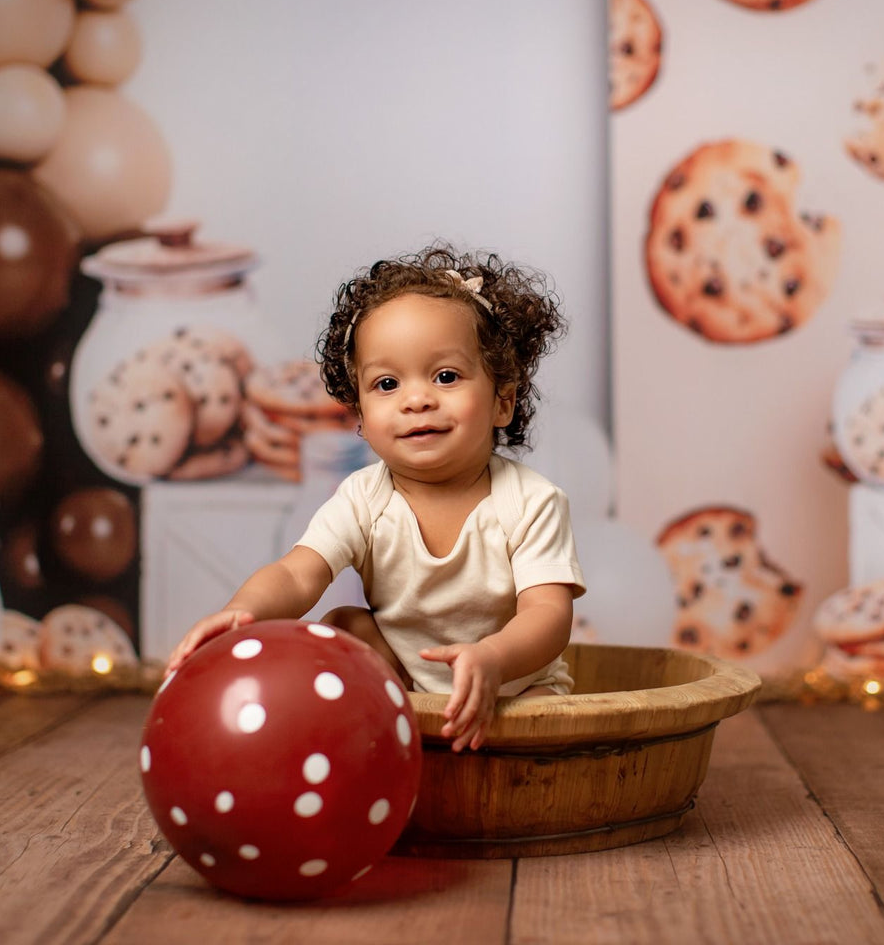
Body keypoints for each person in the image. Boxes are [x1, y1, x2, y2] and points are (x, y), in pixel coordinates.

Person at [165, 243, 584, 751]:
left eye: (446, 376)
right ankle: (391, 726)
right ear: (360, 416)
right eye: (387, 384)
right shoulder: (363, 498)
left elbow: (547, 614)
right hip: (404, 682)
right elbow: (299, 573)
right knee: (344, 625)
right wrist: (243, 611)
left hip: (514, 686)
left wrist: (493, 658)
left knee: (544, 726)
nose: (416, 399)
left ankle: (483, 732)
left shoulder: (531, 501)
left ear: (503, 401)